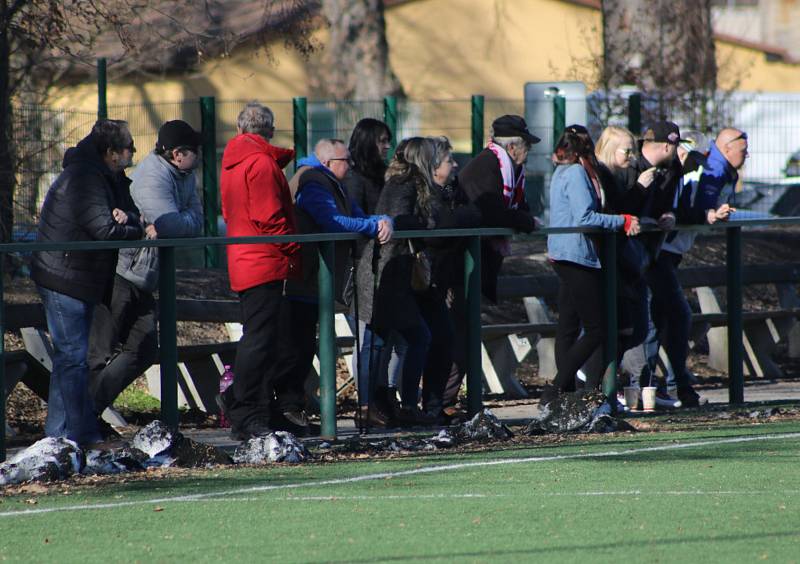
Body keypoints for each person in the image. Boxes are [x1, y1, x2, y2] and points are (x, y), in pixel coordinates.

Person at [31, 119, 142, 445]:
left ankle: (57, 436)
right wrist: (131, 226)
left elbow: (133, 215)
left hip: (79, 277)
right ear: (111, 153)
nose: (132, 153)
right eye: (129, 148)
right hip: (63, 276)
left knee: (70, 358)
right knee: (73, 358)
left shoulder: (109, 178)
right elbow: (106, 230)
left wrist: (129, 220)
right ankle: (80, 434)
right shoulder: (85, 178)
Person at [88, 120, 203, 426]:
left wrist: (177, 223)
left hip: (143, 275)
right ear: (178, 154)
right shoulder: (153, 176)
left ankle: (88, 414)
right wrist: (176, 223)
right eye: (195, 151)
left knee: (144, 348)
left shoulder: (184, 175)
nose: (199, 157)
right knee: (100, 353)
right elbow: (172, 223)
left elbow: (193, 222)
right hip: (123, 273)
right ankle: (82, 420)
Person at [356, 137, 475, 424]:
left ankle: (398, 404)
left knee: (404, 338)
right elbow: (398, 220)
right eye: (438, 157)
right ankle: (390, 405)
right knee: (392, 339)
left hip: (407, 274)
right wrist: (427, 227)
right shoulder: (404, 183)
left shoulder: (425, 185)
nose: (447, 163)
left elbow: (449, 216)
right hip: (389, 272)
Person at [279, 138, 392, 431]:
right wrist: (372, 227)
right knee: (296, 348)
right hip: (302, 279)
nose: (351, 167)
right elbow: (332, 222)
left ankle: (291, 410)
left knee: (302, 346)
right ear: (329, 163)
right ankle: (286, 409)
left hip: (313, 279)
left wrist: (383, 220)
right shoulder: (314, 183)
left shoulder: (330, 181)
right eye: (346, 162)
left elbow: (357, 215)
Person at [441, 115, 540, 412]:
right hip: (461, 263)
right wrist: (526, 222)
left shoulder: (508, 169)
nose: (529, 152)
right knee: (460, 333)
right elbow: (493, 212)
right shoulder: (487, 167)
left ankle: (449, 401)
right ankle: (443, 402)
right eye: (526, 146)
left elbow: (517, 207)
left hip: (478, 262)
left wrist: (523, 218)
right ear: (513, 147)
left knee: (466, 332)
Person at [217, 102, 300, 440]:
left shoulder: (233, 163)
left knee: (262, 335)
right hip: (264, 260)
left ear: (240, 130)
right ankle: (246, 409)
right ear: (270, 129)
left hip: (245, 257)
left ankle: (252, 406)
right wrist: (295, 248)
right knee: (260, 338)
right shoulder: (261, 164)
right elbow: (271, 219)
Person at [645, 128, 745, 407]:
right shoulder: (676, 171)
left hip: (666, 253)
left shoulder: (688, 170)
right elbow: (676, 211)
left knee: (664, 318)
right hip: (656, 253)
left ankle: (661, 386)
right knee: (673, 316)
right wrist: (706, 214)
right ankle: (658, 385)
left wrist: (710, 214)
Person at [546, 125, 639, 394]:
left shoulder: (564, 171)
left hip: (566, 253)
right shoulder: (576, 173)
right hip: (575, 255)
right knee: (597, 329)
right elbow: (585, 218)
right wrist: (622, 221)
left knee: (568, 325)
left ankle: (563, 393)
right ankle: (555, 390)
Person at [341, 119, 408, 424]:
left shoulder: (382, 177)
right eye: (381, 141)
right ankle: (366, 404)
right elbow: (357, 226)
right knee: (368, 339)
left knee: (386, 339)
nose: (386, 147)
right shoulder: (355, 180)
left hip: (382, 267)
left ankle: (381, 399)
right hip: (362, 267)